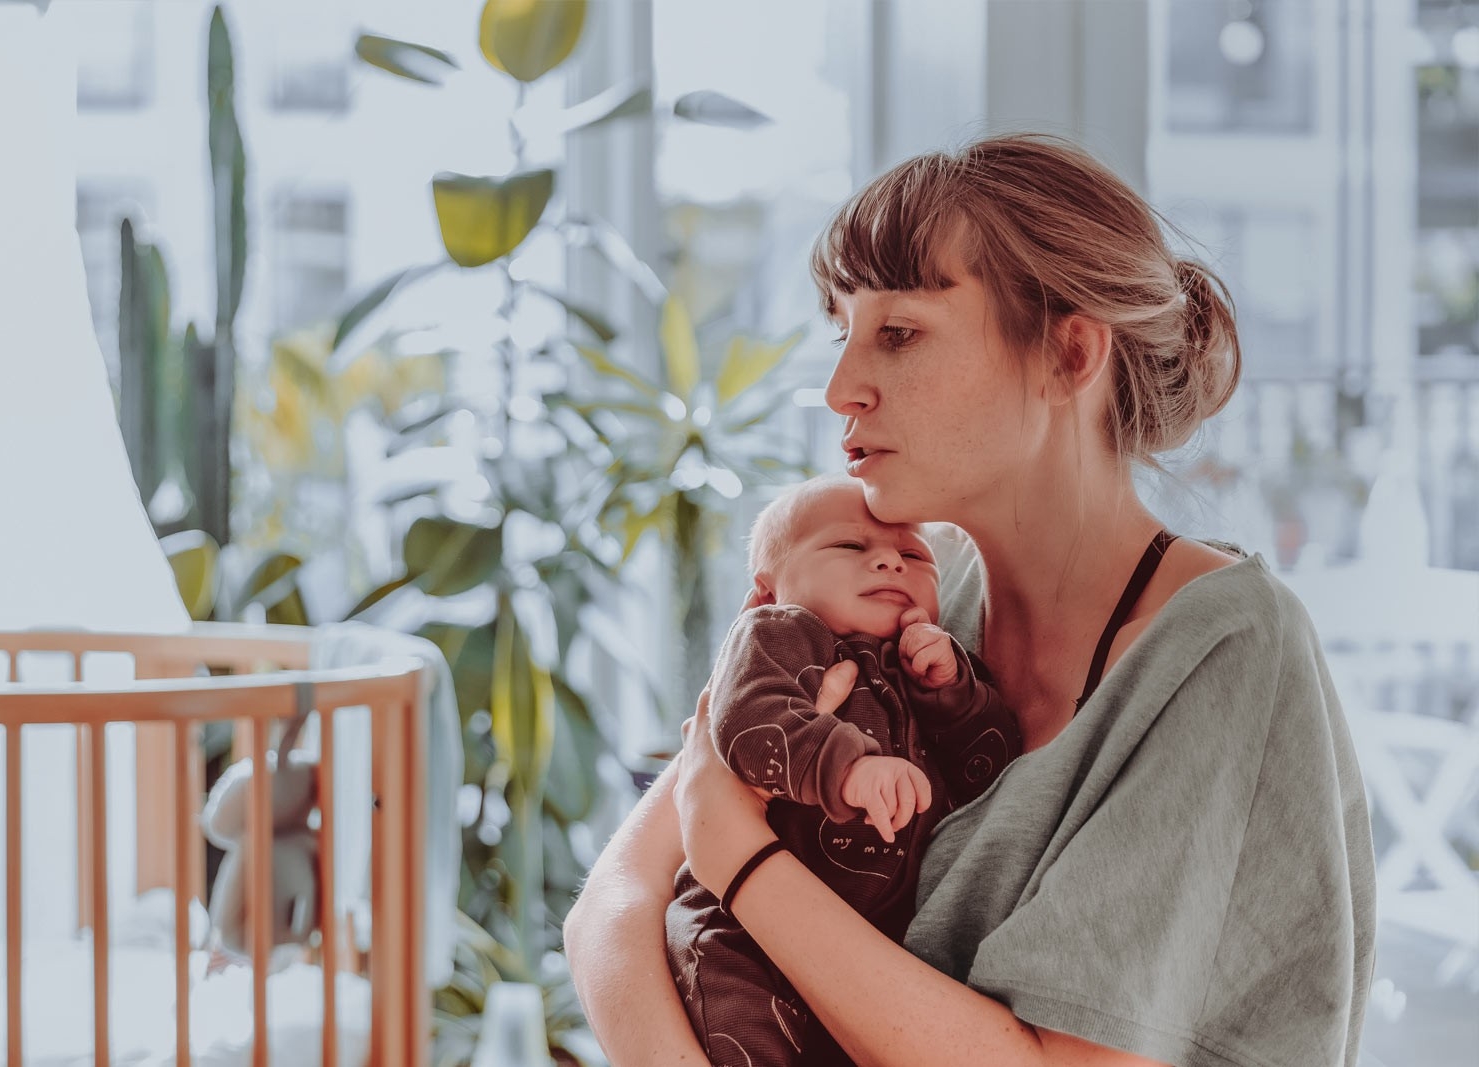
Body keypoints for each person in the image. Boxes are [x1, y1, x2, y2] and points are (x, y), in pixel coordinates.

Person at [563, 133, 1375, 1067]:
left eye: (898, 333)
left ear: (1068, 355)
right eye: (845, 332)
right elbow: (610, 905)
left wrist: (736, 856)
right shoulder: (909, 585)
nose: (840, 389)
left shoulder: (1223, 651)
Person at [667, 475, 1021, 1066]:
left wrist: (954, 697)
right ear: (765, 592)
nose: (888, 560)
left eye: (913, 555)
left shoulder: (932, 653)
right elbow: (746, 724)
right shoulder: (780, 634)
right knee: (747, 1033)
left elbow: (996, 763)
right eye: (849, 548)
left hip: (872, 938)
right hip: (743, 935)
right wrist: (848, 769)